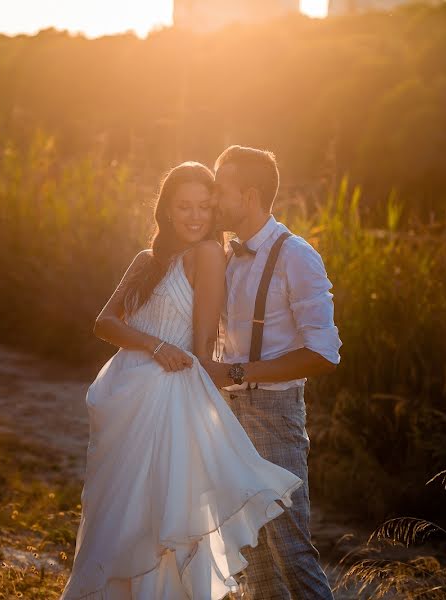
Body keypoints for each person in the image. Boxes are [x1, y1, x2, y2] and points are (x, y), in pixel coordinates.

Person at [59, 161, 303, 600]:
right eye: (184, 206)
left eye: (205, 208)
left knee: (154, 516)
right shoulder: (145, 261)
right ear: (166, 210)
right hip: (125, 393)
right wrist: (153, 345)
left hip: (169, 395)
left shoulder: (207, 254)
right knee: (114, 515)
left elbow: (204, 342)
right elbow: (104, 322)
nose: (195, 217)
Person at [204, 145, 341, 599]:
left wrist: (238, 372)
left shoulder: (295, 255)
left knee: (290, 550)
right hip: (228, 414)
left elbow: (324, 353)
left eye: (219, 190)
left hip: (274, 414)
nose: (211, 200)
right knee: (252, 554)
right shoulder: (221, 253)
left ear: (250, 194)